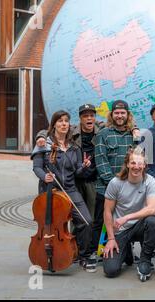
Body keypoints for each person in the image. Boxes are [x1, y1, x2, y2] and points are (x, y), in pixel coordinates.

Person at [31, 110, 96, 272]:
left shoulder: (74, 147)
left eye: (66, 121)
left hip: (70, 189)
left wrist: (84, 167)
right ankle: (48, 252)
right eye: (60, 121)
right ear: (54, 125)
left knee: (87, 221)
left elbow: (77, 173)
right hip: (50, 191)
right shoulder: (44, 144)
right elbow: (37, 167)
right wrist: (45, 176)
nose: (64, 124)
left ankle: (83, 255)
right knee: (50, 225)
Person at [102, 147, 155, 282]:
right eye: (133, 163)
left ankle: (145, 260)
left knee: (152, 221)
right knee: (111, 270)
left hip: (139, 225)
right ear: (127, 164)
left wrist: (127, 217)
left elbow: (152, 209)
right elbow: (107, 211)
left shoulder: (149, 181)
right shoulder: (115, 183)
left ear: (144, 165)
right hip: (120, 229)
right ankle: (126, 250)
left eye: (140, 164)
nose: (136, 167)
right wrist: (110, 239)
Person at [94, 100, 137, 261]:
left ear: (127, 115)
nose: (120, 116)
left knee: (125, 222)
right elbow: (101, 160)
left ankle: (126, 251)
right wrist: (115, 185)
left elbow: (138, 159)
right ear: (112, 115)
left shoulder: (133, 135)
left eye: (123, 113)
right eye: (116, 113)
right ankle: (95, 253)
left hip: (128, 188)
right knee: (100, 221)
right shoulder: (103, 134)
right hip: (104, 188)